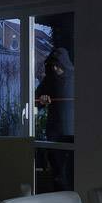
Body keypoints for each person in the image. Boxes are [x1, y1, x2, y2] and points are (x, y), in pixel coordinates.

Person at [35, 47, 74, 190]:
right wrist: (41, 100)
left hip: (73, 134)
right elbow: (34, 101)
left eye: (58, 65)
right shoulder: (49, 80)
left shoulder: (77, 78)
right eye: (53, 66)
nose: (56, 68)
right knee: (57, 173)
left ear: (65, 64)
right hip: (54, 133)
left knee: (71, 172)